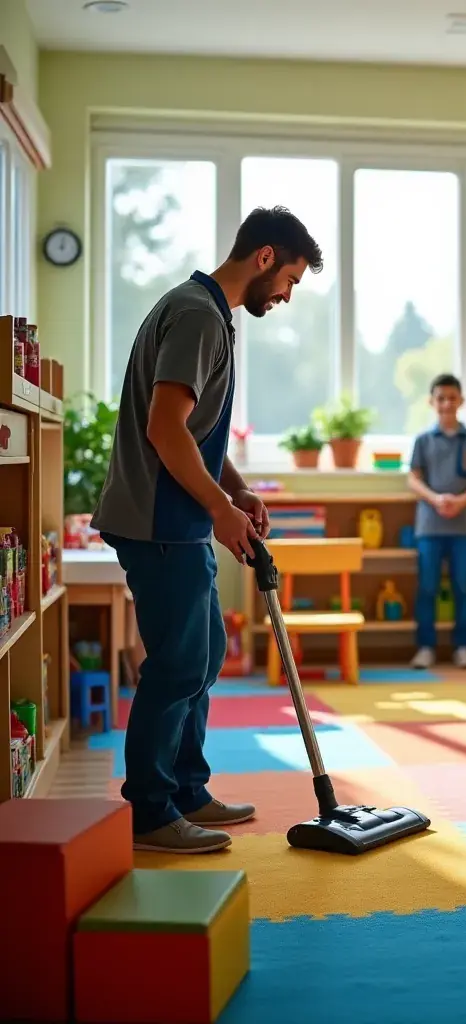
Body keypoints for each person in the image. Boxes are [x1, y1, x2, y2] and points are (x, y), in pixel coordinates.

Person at [91, 206, 323, 854]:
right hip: (161, 520)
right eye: (292, 280)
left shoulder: (209, 314)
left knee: (205, 656)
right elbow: (163, 430)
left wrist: (236, 488)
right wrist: (220, 508)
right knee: (179, 663)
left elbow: (192, 432)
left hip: (178, 519)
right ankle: (151, 810)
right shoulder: (197, 314)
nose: (286, 297)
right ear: (267, 257)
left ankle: (187, 789)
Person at [406, 373, 466, 669]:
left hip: (464, 528)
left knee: (463, 587)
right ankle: (426, 647)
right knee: (427, 586)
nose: (446, 403)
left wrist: (460, 501)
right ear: (432, 402)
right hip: (429, 527)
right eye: (440, 398)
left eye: (452, 398)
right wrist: (436, 499)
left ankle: (462, 646)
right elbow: (413, 479)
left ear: (461, 401)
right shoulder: (423, 440)